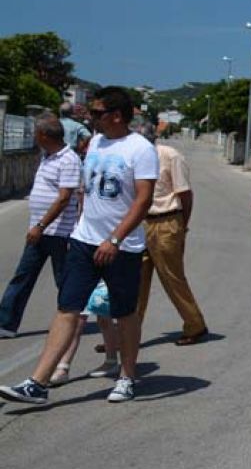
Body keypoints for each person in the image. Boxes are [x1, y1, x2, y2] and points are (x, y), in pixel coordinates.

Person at [1, 87, 158, 408]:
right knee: (67, 308)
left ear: (116, 115)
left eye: (97, 113)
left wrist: (114, 239)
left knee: (124, 313)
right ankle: (38, 382)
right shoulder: (96, 142)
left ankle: (127, 377)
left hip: (122, 247)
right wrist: (81, 228)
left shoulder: (140, 149)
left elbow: (143, 201)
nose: (91, 117)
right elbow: (87, 190)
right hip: (84, 241)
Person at [0, 116, 80, 337]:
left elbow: (64, 198)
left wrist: (41, 225)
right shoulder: (47, 157)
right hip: (40, 232)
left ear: (44, 136)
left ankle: (71, 321)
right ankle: (6, 323)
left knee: (63, 280)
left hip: (59, 233)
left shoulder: (69, 160)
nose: (34, 137)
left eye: (36, 133)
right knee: (23, 276)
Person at [134, 122, 209, 346]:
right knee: (135, 280)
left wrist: (181, 226)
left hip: (166, 220)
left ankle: (195, 324)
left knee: (172, 277)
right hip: (141, 223)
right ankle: (128, 332)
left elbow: (185, 194)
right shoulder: (134, 159)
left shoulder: (170, 156)